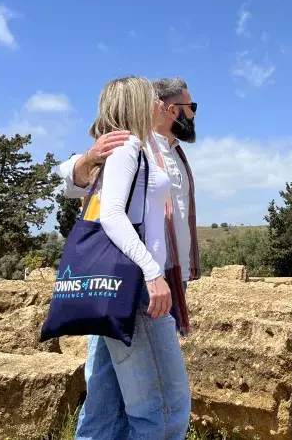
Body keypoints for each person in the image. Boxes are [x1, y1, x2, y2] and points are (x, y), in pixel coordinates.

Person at [60, 77, 199, 440]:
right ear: (166, 108)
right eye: (191, 107)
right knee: (164, 412)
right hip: (134, 281)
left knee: (105, 406)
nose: (193, 115)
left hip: (152, 276)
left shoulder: (174, 152)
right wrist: (88, 159)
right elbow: (103, 205)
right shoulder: (128, 143)